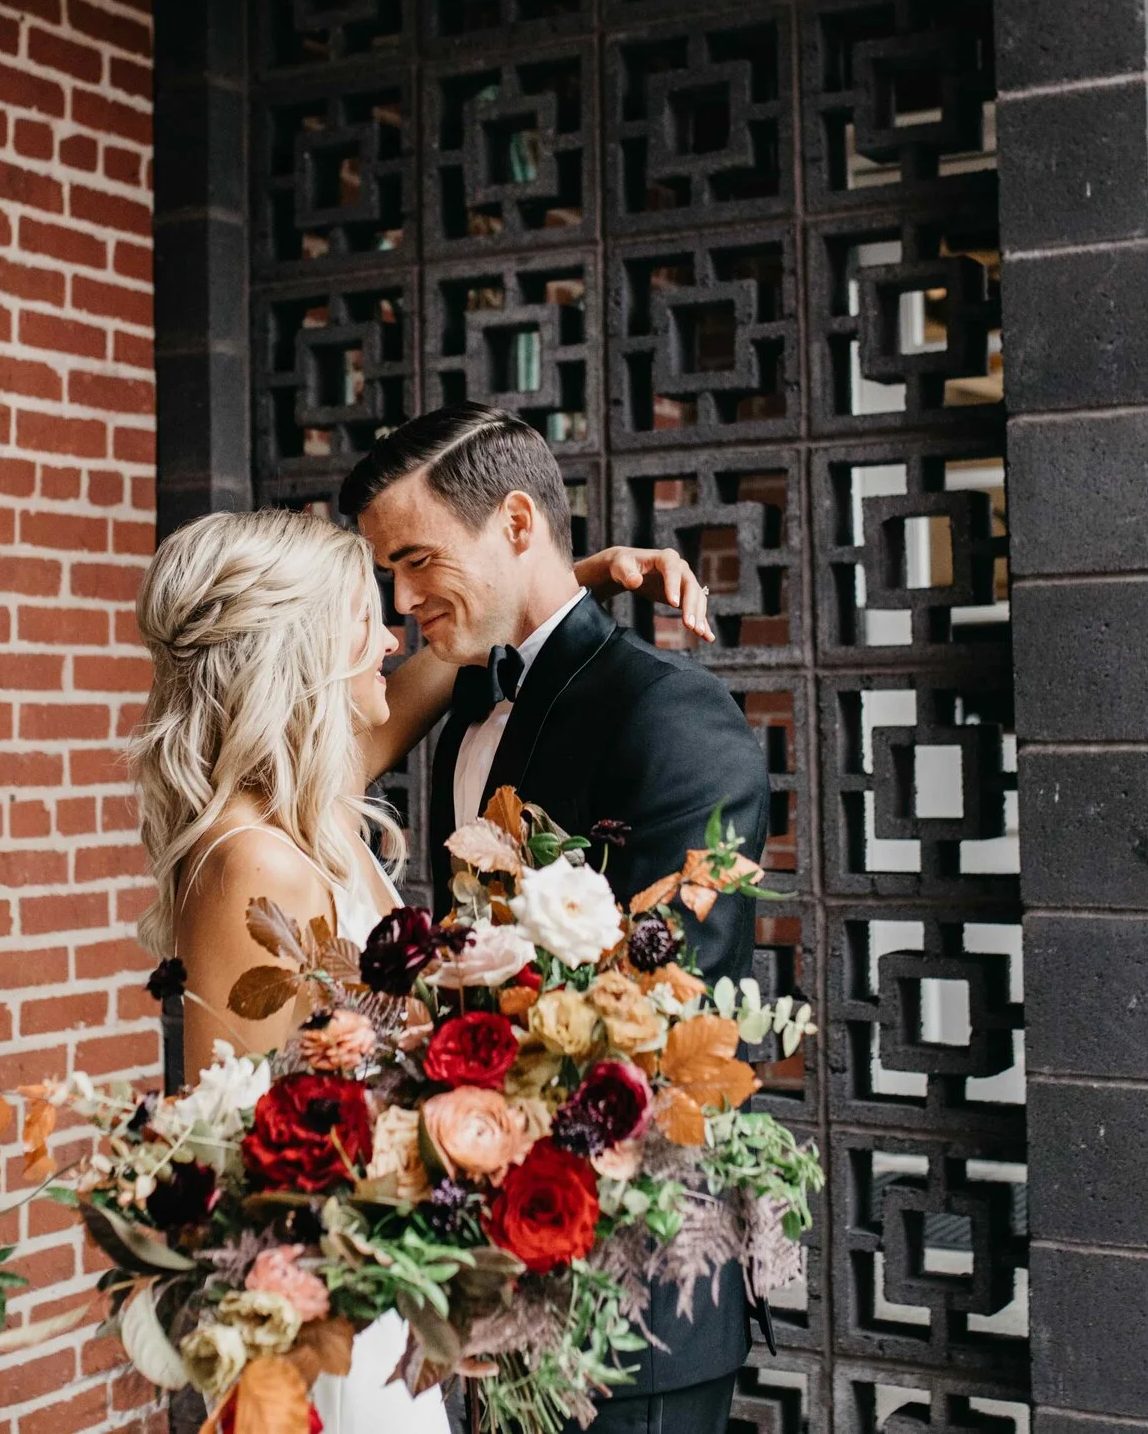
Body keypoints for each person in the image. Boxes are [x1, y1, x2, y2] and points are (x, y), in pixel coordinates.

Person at [126, 504, 713, 1433]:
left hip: (364, 1298)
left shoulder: (297, 813)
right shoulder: (259, 862)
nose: (395, 639)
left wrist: (566, 579)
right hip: (326, 1329)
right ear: (304, 654)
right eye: (369, 619)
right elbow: (254, 1162)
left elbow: (430, 674)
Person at [341, 403, 767, 1434]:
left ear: (518, 522)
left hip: (630, 1299)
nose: (402, 603)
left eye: (416, 561)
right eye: (388, 575)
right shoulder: (466, 702)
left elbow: (671, 1017)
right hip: (487, 1275)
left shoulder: (665, 713)